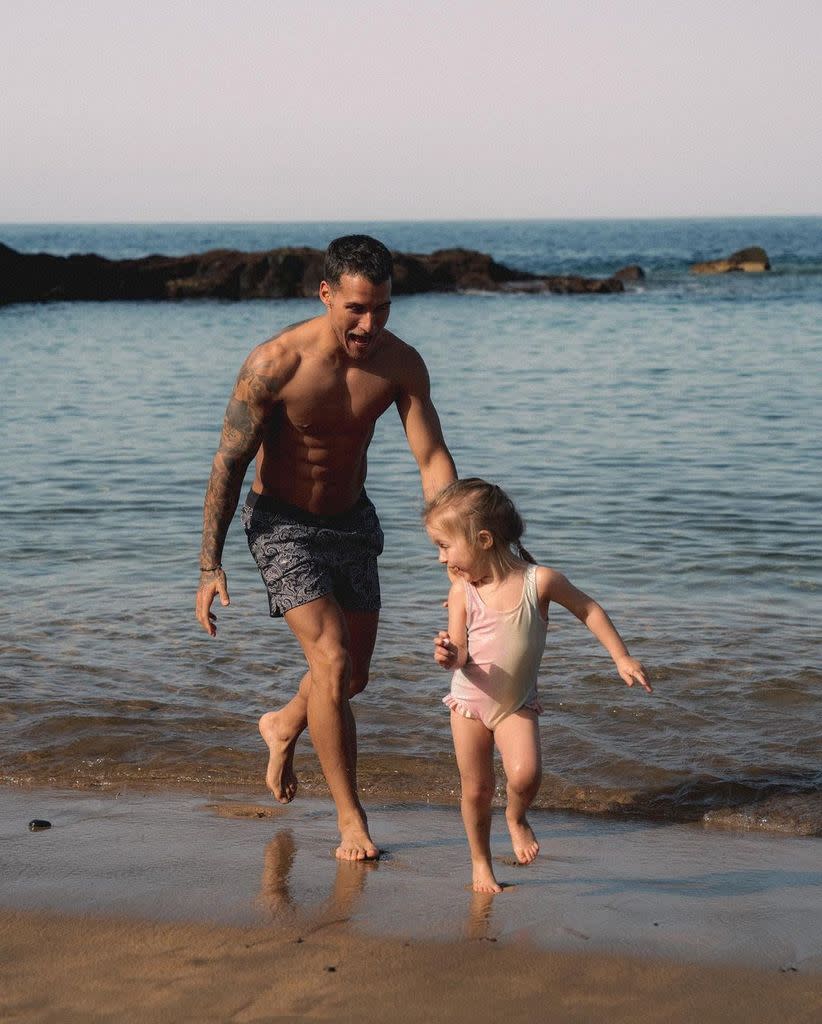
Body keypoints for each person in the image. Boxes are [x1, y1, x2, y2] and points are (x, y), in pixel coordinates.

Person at [195, 235, 457, 861]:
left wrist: (458, 544)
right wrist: (209, 563)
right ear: (326, 294)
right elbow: (228, 464)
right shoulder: (275, 364)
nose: (369, 325)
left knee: (351, 678)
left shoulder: (399, 364)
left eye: (383, 310)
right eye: (356, 310)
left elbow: (431, 457)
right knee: (333, 663)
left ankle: (284, 723)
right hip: (281, 523)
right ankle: (350, 820)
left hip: (351, 521)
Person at [424, 478, 651, 893]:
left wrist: (621, 656)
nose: (441, 558)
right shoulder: (462, 592)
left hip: (515, 703)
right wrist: (448, 655)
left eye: (444, 546)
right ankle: (480, 862)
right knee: (475, 789)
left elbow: (588, 608)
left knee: (526, 774)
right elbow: (460, 651)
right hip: (469, 703)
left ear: (484, 539)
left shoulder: (539, 582)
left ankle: (516, 816)